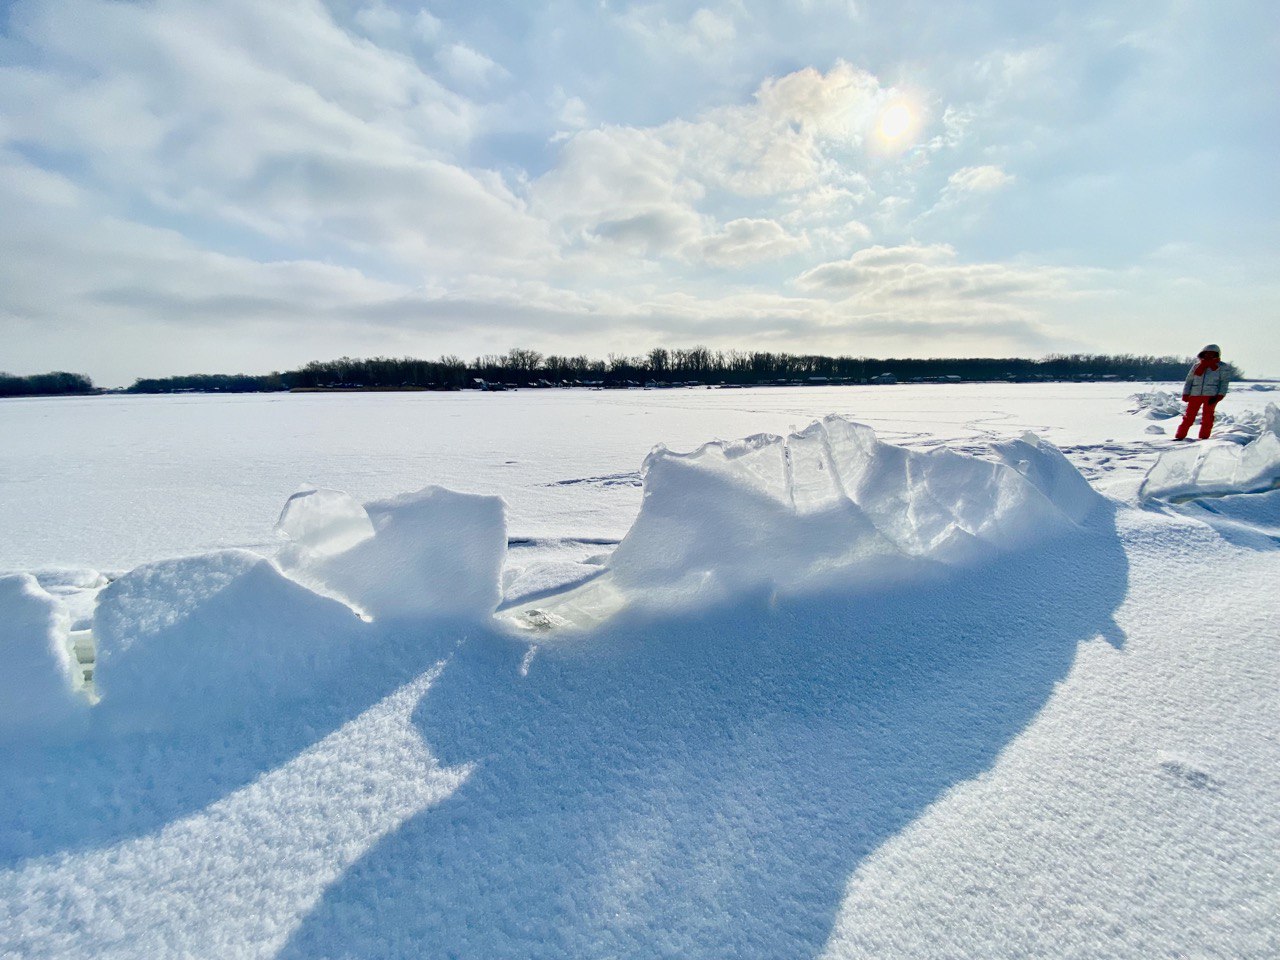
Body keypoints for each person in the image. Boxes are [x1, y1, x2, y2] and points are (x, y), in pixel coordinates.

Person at [1175, 344, 1229, 440]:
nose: (1209, 356)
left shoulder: (1222, 367)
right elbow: (1189, 380)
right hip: (1195, 395)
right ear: (1202, 354)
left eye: (1212, 354)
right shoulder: (1196, 366)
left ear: (1217, 354)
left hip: (1211, 396)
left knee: (1208, 418)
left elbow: (1224, 382)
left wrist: (1220, 395)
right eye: (1207, 353)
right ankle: (1180, 436)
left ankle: (1204, 437)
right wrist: (1186, 393)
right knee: (1188, 417)